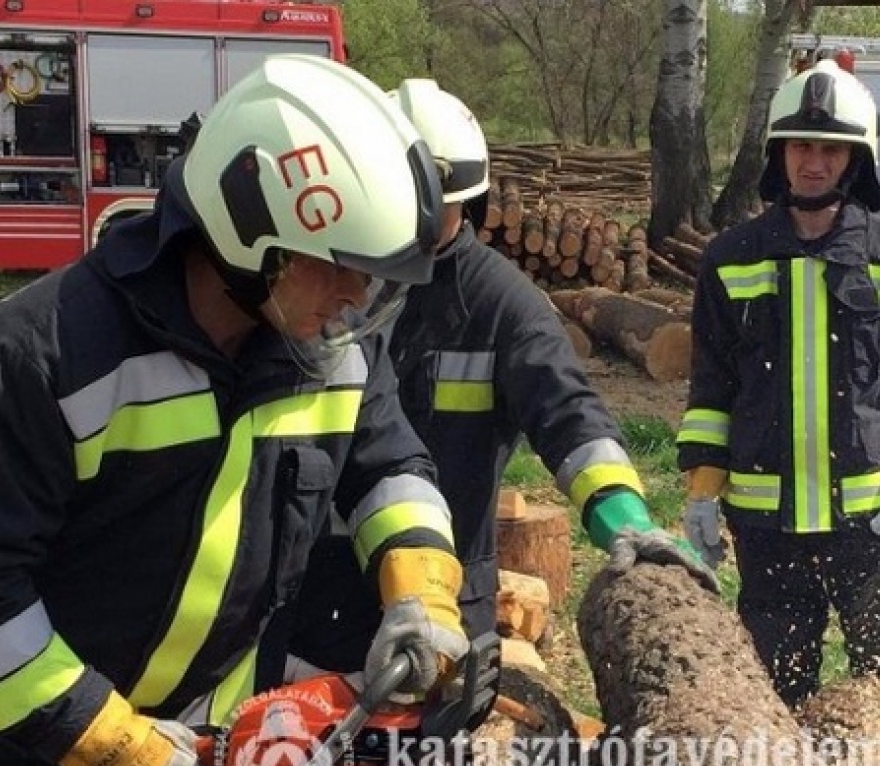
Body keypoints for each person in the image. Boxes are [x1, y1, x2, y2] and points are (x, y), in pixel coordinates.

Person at [0, 56, 467, 766]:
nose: (355, 298)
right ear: (252, 236)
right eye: (340, 268)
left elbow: (393, 471)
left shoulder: (327, 353)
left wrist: (424, 598)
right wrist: (110, 746)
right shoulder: (31, 362)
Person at [283, 79, 716, 679]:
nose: (413, 219)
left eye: (437, 202)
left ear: (473, 203)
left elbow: (569, 412)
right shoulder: (324, 280)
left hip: (443, 601)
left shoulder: (500, 304)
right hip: (309, 592)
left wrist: (623, 513)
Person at [676, 58, 880, 708]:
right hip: (765, 525)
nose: (815, 161)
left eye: (831, 148)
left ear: (856, 159)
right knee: (777, 694)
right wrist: (703, 495)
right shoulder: (731, 257)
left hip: (867, 523)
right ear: (780, 154)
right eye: (802, 145)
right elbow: (712, 387)